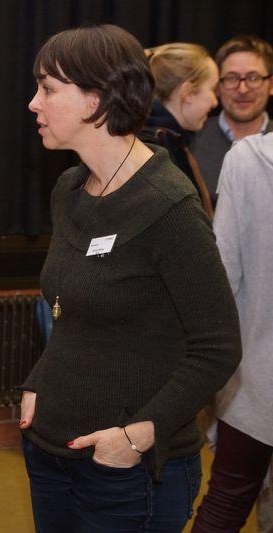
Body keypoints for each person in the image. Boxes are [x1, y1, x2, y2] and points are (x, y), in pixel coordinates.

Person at [21, 24, 241, 532]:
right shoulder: (70, 189)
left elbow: (218, 346)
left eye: (48, 89)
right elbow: (71, 312)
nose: (34, 103)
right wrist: (38, 384)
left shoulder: (169, 206)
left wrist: (138, 435)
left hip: (128, 472)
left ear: (96, 100)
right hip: (51, 452)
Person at [191, 133, 273, 532]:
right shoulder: (247, 160)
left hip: (256, 379)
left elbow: (222, 278)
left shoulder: (247, 160)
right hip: (255, 381)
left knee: (228, 498)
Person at [139, 43, 219, 218]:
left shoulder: (167, 140)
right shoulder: (155, 150)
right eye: (213, 89)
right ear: (188, 92)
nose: (215, 102)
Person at [191, 35, 273, 205]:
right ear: (217, 86)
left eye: (253, 78)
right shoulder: (190, 141)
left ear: (271, 84)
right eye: (232, 78)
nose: (242, 90)